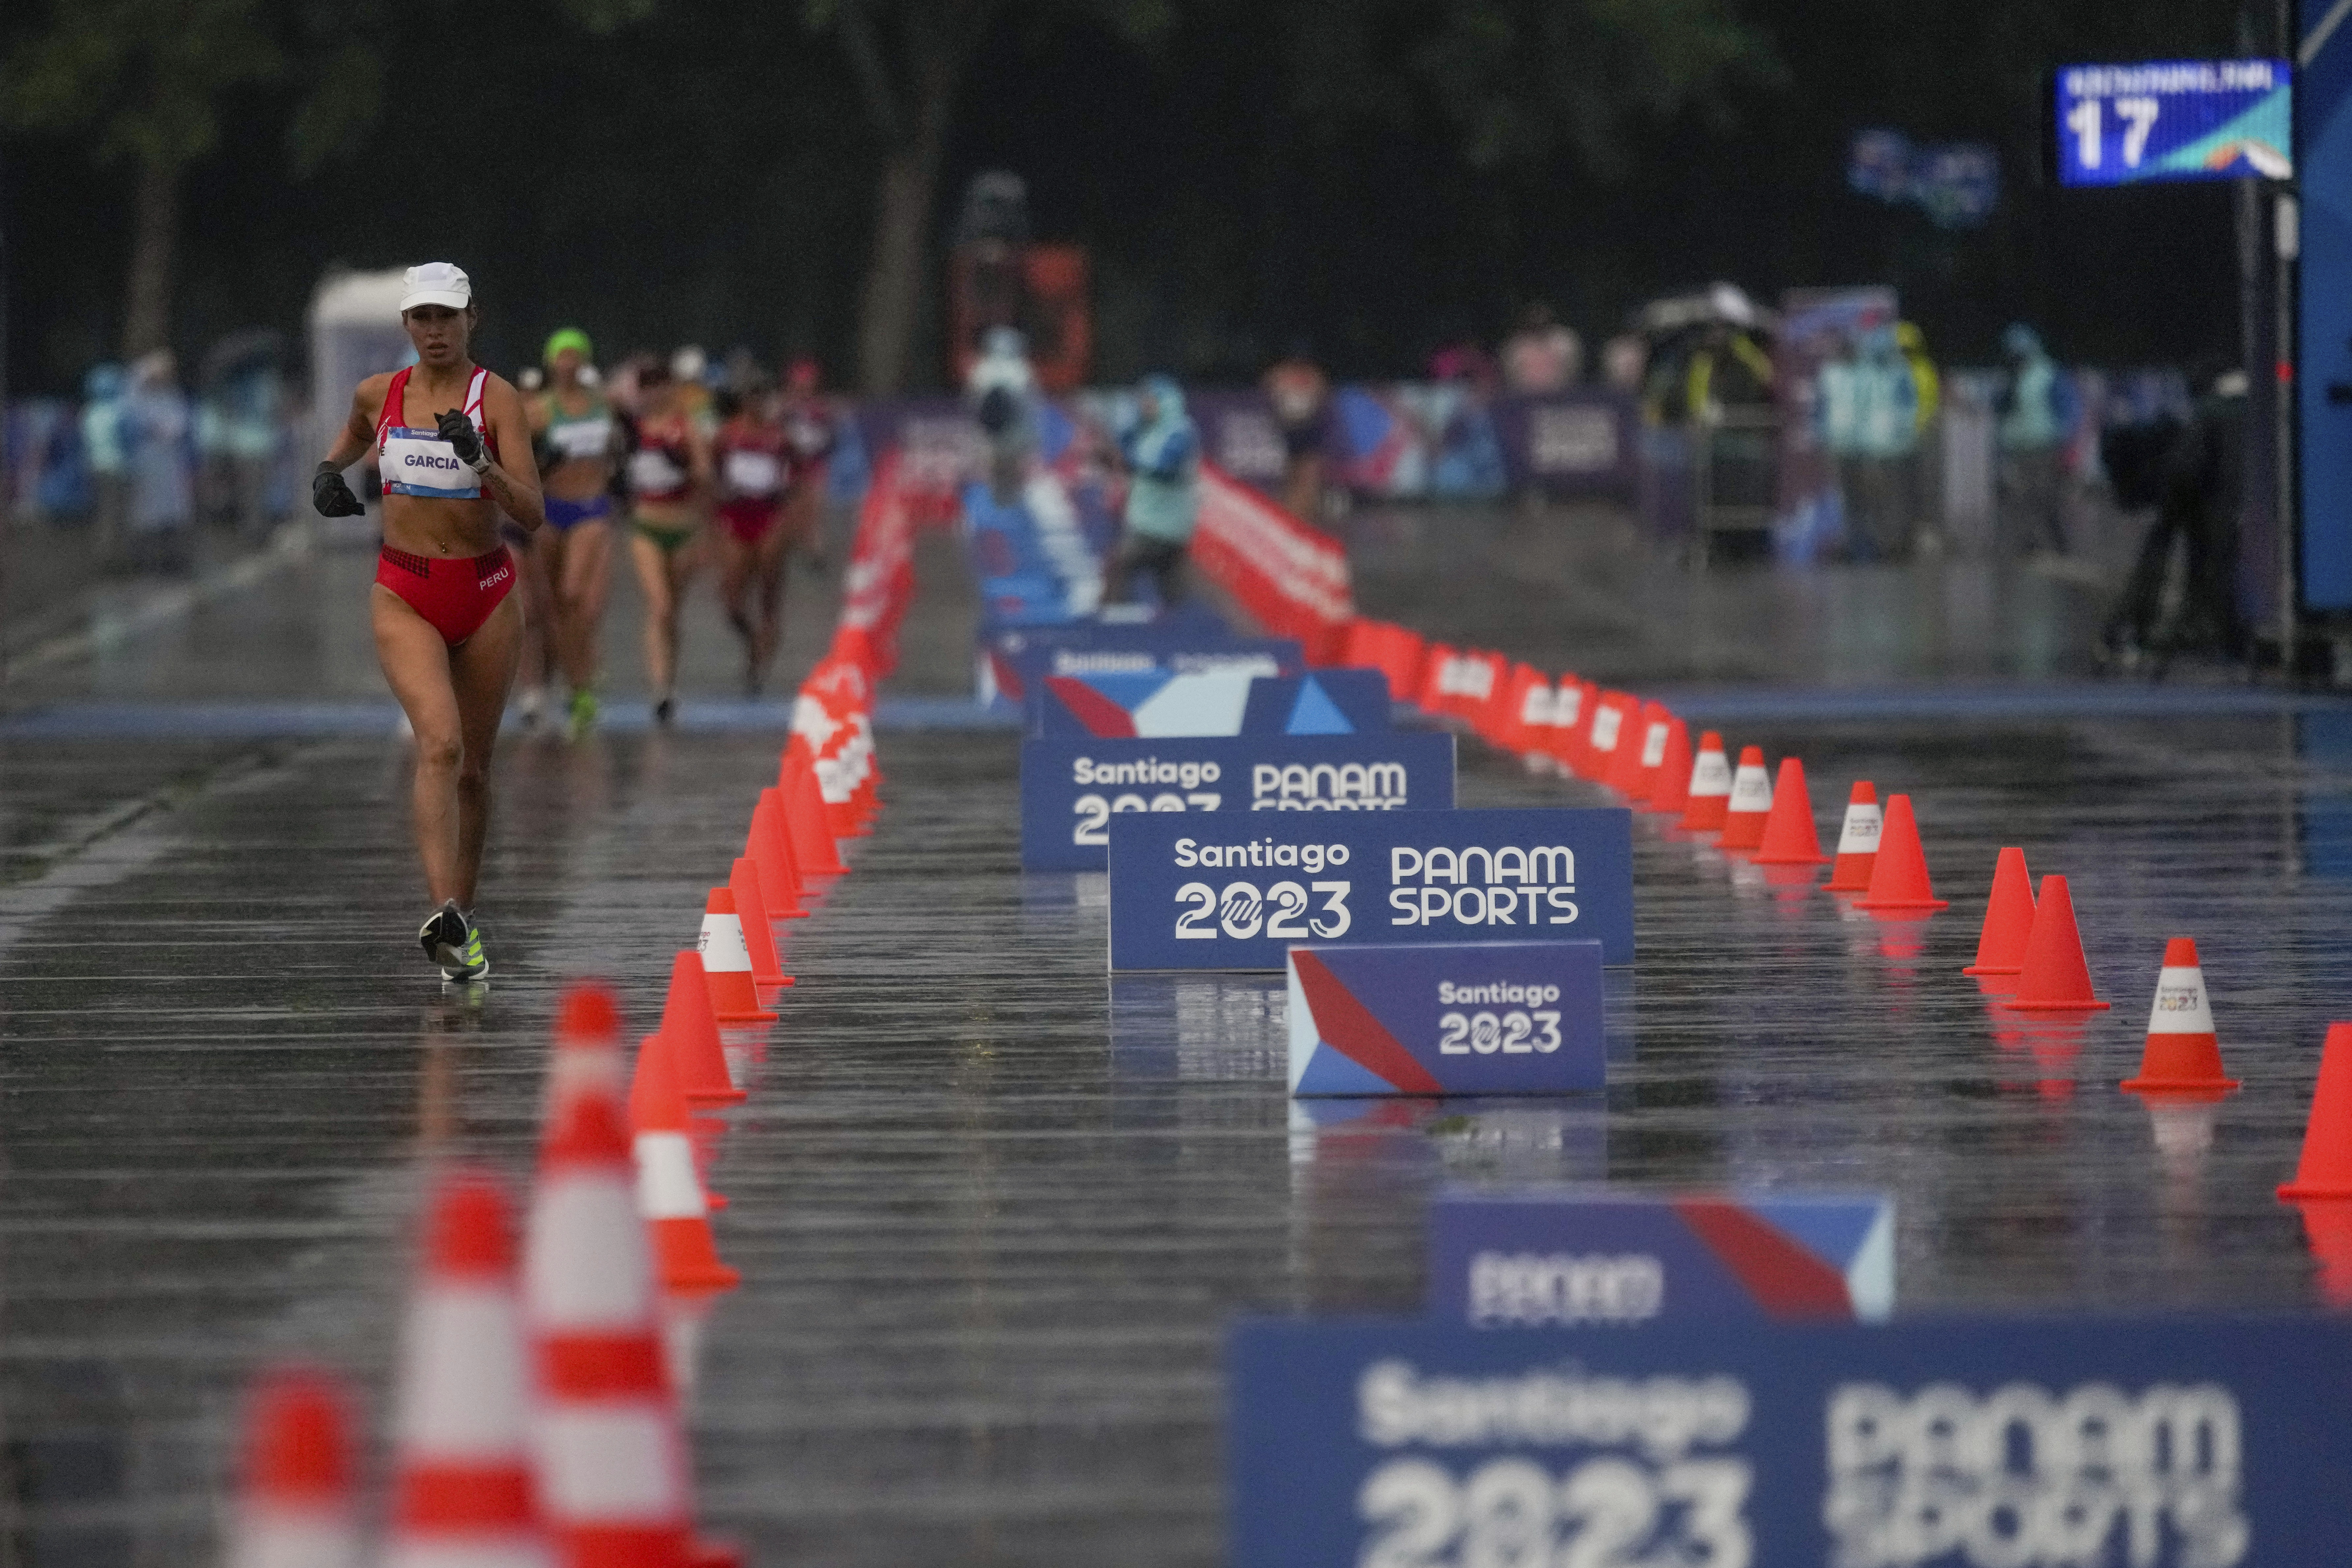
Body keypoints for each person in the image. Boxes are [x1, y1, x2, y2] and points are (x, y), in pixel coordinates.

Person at [309, 262, 545, 983]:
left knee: (473, 770)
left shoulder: (496, 398)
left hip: (486, 591)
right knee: (437, 743)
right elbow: (350, 436)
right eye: (423, 318)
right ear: (407, 325)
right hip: (405, 590)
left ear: (472, 317)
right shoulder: (380, 393)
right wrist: (329, 474)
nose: (435, 331)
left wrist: (482, 463)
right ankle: (442, 909)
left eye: (447, 316)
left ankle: (460, 924)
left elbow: (532, 512)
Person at [2106, 368, 2248, 667]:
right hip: (2228, 508)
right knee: (2218, 574)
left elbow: (2186, 467)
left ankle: (2138, 628)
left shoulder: (2210, 412)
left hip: (2198, 505)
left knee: (2179, 569)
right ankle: (2227, 636)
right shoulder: (2250, 411)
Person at [527, 328, 620, 737]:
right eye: (560, 356)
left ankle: (581, 685)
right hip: (550, 510)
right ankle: (571, 684)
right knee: (553, 609)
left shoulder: (604, 406)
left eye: (574, 356)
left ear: (583, 362)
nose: (567, 363)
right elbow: (517, 461)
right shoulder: (539, 410)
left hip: (590, 508)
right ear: (551, 363)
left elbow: (622, 448)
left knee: (573, 596)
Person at [625, 360, 709, 724]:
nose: (654, 393)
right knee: (658, 606)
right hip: (646, 526)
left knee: (672, 611)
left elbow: (706, 473)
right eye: (648, 386)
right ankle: (659, 688)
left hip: (683, 526)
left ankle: (670, 683)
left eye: (661, 385)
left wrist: (683, 465)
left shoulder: (684, 425)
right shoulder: (631, 428)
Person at [710, 379, 793, 692]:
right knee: (731, 597)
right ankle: (750, 637)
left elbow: (797, 476)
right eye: (752, 401)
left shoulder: (779, 438)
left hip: (769, 517)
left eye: (762, 401)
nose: (757, 407)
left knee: (770, 591)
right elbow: (710, 472)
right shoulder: (727, 435)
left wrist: (790, 517)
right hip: (736, 517)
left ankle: (758, 665)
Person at [1103, 374, 1200, 606]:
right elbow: (1122, 445)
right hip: (1149, 520)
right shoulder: (1150, 429)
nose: (1144, 406)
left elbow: (1165, 466)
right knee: (1169, 582)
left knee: (1119, 565)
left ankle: (1113, 621)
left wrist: (1130, 458)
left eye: (1150, 400)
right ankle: (1180, 631)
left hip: (1165, 524)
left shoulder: (1180, 431)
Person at [1997, 324, 2077, 557]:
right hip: (2017, 446)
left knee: (2046, 497)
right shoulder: (2010, 378)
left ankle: (2059, 544)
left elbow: (2068, 408)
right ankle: (2028, 544)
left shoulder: (2049, 374)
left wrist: (2065, 438)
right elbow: (2002, 410)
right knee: (2021, 498)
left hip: (2044, 445)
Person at [121, 350, 197, 575]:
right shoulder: (137, 397)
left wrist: (170, 431)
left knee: (172, 513)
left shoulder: (172, 397)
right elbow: (131, 406)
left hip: (170, 461)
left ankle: (171, 561)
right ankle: (147, 563)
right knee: (146, 513)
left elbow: (181, 423)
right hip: (147, 461)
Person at [966, 326, 1038, 503]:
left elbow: (1028, 405)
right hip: (998, 432)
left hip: (1008, 430)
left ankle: (1009, 500)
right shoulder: (985, 369)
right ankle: (1000, 502)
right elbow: (974, 403)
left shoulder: (986, 369)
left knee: (1006, 467)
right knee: (999, 467)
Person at [778, 356, 838, 570]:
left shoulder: (821, 410)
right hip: (791, 467)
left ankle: (816, 551)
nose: (803, 389)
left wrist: (814, 450)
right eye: (799, 385)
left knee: (814, 509)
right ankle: (792, 546)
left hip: (814, 466)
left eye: (807, 385)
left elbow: (831, 439)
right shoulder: (785, 409)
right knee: (790, 510)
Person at [1263, 343, 1330, 523]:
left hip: (1309, 427)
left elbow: (1323, 393)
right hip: (1290, 428)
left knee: (1309, 473)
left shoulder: (1314, 375)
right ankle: (1290, 516)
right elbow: (1269, 385)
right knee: (1292, 473)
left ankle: (1306, 516)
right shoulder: (1282, 374)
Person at [80, 364, 131, 566]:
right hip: (117, 468)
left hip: (96, 467)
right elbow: (126, 442)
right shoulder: (117, 412)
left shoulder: (89, 413)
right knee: (118, 514)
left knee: (104, 512)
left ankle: (104, 554)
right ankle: (114, 558)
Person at [1502, 302, 1583, 394]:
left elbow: (1573, 371)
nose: (1539, 323)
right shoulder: (1517, 345)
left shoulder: (1564, 340)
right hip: (1525, 398)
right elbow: (1512, 375)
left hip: (1562, 395)